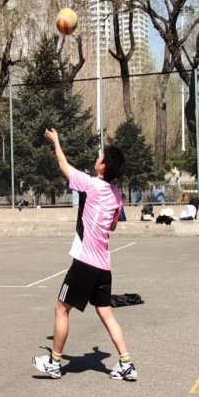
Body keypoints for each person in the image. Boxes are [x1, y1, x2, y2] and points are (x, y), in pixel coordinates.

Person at [32, 129, 137, 382]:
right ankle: (126, 363)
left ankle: (55, 362)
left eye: (100, 157)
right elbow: (113, 226)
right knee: (106, 313)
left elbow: (63, 165)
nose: (97, 158)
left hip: (85, 264)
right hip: (104, 267)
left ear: (102, 167)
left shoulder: (90, 184)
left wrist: (57, 142)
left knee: (61, 309)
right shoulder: (117, 197)